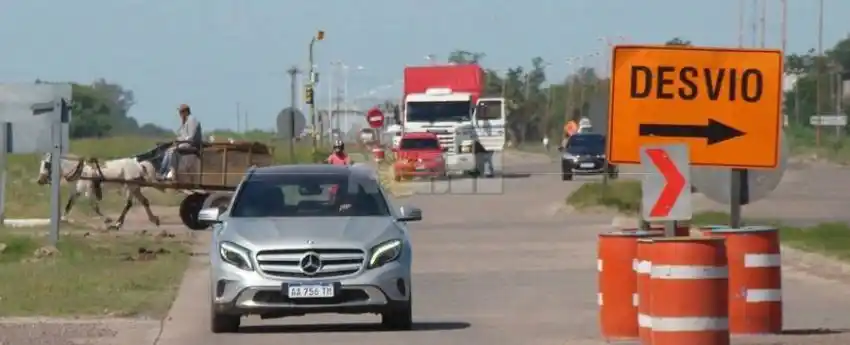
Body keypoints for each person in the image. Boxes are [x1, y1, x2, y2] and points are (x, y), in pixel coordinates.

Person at [160, 104, 203, 180]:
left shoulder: (192, 120)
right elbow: (182, 135)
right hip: (186, 143)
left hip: (191, 144)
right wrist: (177, 140)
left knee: (171, 151)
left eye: (181, 112)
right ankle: (163, 172)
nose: (180, 114)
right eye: (180, 112)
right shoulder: (185, 121)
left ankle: (167, 173)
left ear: (186, 112)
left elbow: (191, 136)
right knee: (168, 151)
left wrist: (179, 142)